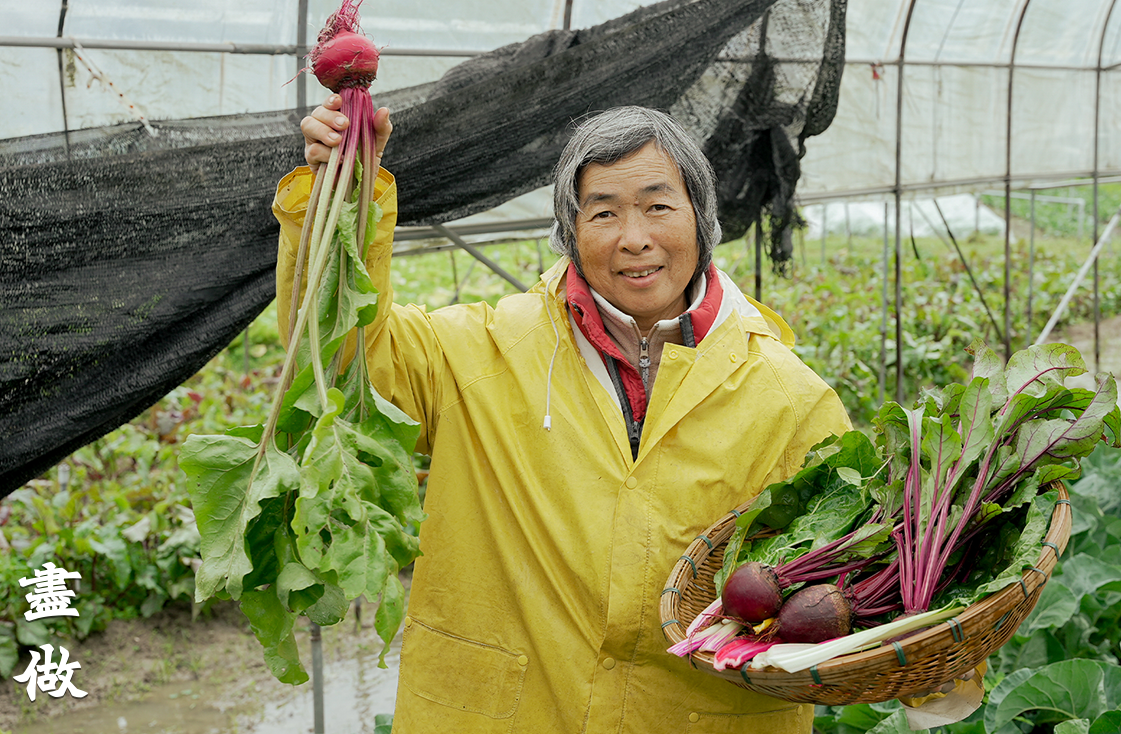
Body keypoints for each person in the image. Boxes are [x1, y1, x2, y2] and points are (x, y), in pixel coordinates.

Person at [278, 95, 853, 733]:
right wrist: (338, 201)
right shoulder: (485, 353)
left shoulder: (789, 398)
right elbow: (345, 353)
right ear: (570, 234)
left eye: (659, 206)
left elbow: (848, 576)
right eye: (603, 212)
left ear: (703, 220)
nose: (635, 239)